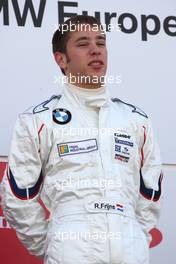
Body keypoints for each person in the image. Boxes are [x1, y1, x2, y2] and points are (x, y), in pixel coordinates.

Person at [2, 15, 163, 264]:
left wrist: (134, 235)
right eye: (83, 43)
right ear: (61, 59)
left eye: (101, 42)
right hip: (71, 248)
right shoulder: (37, 120)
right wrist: (53, 242)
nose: (95, 50)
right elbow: (17, 197)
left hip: (130, 247)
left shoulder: (136, 120)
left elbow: (150, 193)